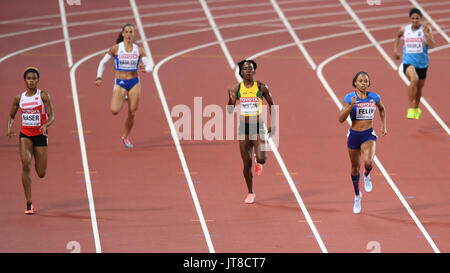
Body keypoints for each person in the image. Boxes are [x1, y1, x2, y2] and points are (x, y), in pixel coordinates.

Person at [6, 67, 55, 215]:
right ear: (25, 80)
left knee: (41, 173)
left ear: (38, 80)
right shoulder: (19, 98)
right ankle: (29, 203)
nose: (31, 81)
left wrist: (46, 125)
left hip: (40, 135)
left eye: (34, 78)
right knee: (26, 165)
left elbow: (51, 115)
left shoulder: (44, 96)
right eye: (29, 78)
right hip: (25, 135)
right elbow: (11, 116)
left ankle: (37, 157)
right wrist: (9, 127)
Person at [95, 23, 152, 148]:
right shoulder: (116, 48)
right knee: (115, 110)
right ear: (122, 34)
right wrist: (99, 76)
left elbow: (150, 66)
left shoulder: (139, 50)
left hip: (134, 82)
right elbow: (103, 62)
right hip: (120, 82)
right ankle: (123, 95)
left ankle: (125, 137)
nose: (128, 34)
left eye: (131, 32)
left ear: (134, 34)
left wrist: (145, 69)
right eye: (126, 32)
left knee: (132, 112)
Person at [227, 59, 276, 204]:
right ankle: (250, 192)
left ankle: (258, 160)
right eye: (245, 69)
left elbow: (271, 104)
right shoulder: (237, 88)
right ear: (241, 72)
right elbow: (230, 111)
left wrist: (274, 123)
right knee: (246, 163)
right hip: (244, 128)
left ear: (254, 71)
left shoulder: (261, 87)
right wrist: (230, 100)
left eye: (250, 68)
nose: (248, 71)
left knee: (262, 159)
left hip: (258, 126)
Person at [339, 72, 387, 214]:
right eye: (360, 81)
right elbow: (341, 119)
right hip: (354, 135)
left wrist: (383, 126)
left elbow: (382, 109)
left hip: (368, 134)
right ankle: (357, 195)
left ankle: (366, 175)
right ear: (355, 83)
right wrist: (350, 106)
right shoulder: (349, 98)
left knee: (368, 162)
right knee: (354, 168)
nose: (364, 83)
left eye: (366, 81)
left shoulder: (374, 97)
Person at [393, 8, 435, 120]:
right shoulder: (405, 29)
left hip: (422, 64)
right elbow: (397, 36)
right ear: (410, 19)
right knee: (414, 79)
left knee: (420, 87)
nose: (415, 20)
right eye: (413, 18)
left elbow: (432, 46)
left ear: (420, 19)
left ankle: (416, 107)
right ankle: (411, 107)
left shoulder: (426, 29)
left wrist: (426, 34)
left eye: (417, 18)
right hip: (408, 62)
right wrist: (395, 50)